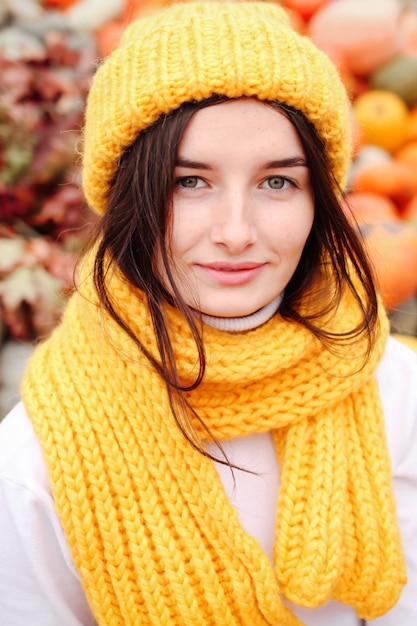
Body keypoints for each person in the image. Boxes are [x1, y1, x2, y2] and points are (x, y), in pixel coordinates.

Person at [0, 1, 416, 625]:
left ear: (320, 199)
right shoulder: (36, 459)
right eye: (187, 182)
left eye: (277, 182)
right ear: (124, 196)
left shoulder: (389, 386)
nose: (235, 232)